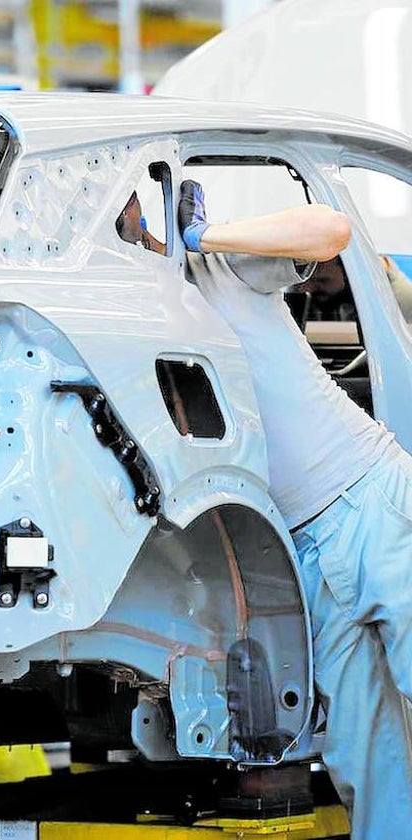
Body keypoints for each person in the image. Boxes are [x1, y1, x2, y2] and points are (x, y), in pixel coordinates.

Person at [179, 179, 412, 839]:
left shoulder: (222, 263)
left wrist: (205, 237)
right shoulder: (123, 312)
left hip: (374, 504)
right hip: (300, 549)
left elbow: (329, 230)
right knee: (367, 759)